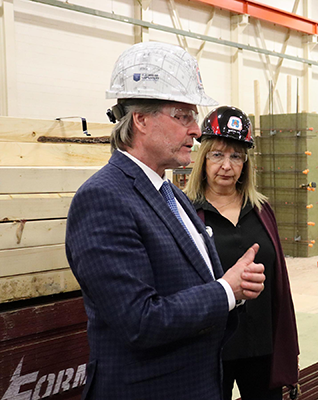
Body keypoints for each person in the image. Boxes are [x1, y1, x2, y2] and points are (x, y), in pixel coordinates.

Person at [65, 42, 266, 400]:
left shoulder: (170, 195)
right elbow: (140, 321)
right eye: (182, 116)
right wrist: (225, 291)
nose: (195, 130)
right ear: (140, 120)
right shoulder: (104, 198)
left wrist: (233, 285)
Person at [184, 105, 300, 400]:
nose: (226, 165)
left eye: (236, 156)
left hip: (261, 347)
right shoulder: (187, 214)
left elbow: (278, 283)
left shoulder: (261, 210)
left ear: (245, 163)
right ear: (203, 159)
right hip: (210, 349)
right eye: (217, 154)